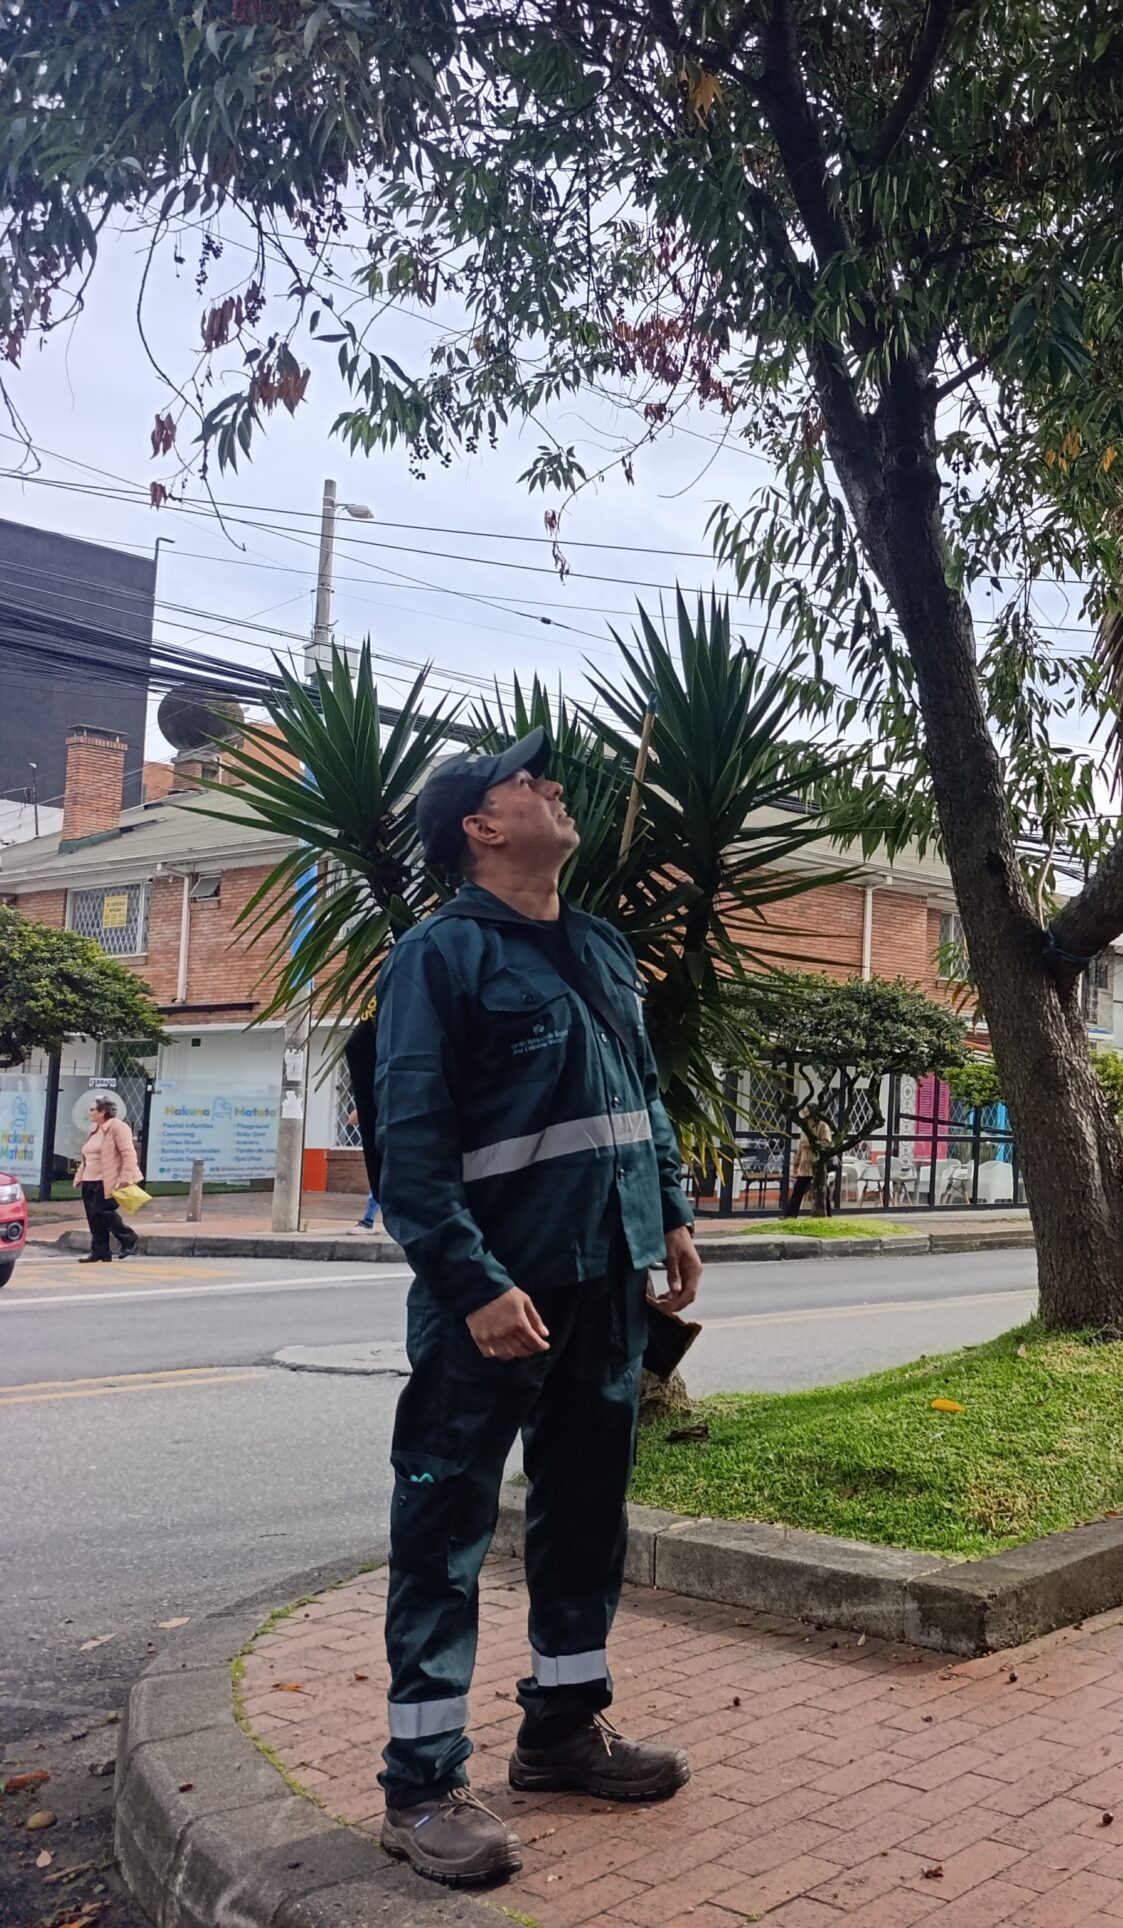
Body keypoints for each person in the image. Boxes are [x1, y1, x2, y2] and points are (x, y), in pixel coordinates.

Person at [370, 728, 703, 1889]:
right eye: (528, 781)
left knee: (584, 1504)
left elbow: (641, 1098)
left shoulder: (602, 946)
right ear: (479, 826)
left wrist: (669, 1212)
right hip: (494, 1294)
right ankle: (420, 1782)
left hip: (603, 1278)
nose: (554, 788)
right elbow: (408, 1148)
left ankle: (562, 1729)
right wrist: (471, 1283)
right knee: (446, 1520)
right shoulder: (438, 959)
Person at [75, 1095, 141, 1263]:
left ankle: (128, 1237)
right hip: (89, 1180)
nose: (89, 1113)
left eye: (92, 1109)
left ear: (103, 1112)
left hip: (107, 1180)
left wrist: (126, 1177)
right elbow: (87, 1155)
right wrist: (80, 1176)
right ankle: (100, 1251)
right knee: (93, 1217)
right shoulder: (94, 1128)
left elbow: (128, 1154)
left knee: (103, 1212)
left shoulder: (118, 1128)